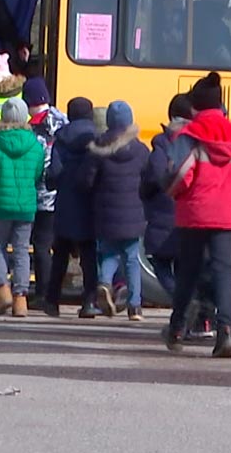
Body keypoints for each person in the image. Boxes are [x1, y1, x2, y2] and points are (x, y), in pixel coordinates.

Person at [162, 72, 231, 358]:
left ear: (195, 107)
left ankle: (177, 330)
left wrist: (173, 194)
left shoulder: (188, 136)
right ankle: (225, 331)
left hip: (194, 213)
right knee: (224, 273)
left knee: (188, 272)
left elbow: (180, 175)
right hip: (226, 215)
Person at [83, 101, 150, 320]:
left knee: (109, 254)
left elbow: (87, 181)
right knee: (131, 258)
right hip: (133, 213)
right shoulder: (140, 150)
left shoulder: (98, 148)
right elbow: (149, 180)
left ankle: (104, 283)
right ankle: (135, 307)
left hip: (105, 213)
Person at [0, 98, 44, 317]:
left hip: (0, 203)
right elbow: (37, 175)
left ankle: (2, 290)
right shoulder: (35, 145)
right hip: (26, 205)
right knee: (21, 250)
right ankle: (20, 300)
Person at [45, 97, 99, 317]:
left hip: (66, 203)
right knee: (89, 256)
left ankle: (51, 301)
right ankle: (89, 301)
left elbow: (54, 172)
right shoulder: (95, 138)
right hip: (88, 203)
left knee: (60, 255)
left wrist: (53, 182)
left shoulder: (61, 139)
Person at [141, 94, 192, 308]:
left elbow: (154, 175)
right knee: (185, 266)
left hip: (163, 213)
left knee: (160, 262)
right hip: (189, 215)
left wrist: (146, 193)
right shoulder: (198, 142)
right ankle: (188, 308)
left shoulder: (162, 144)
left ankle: (184, 305)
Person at [24, 78, 67, 305]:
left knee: (40, 246)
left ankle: (44, 294)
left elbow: (36, 164)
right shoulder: (63, 121)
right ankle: (51, 292)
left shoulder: (35, 127)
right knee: (54, 246)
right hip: (61, 196)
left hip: (41, 196)